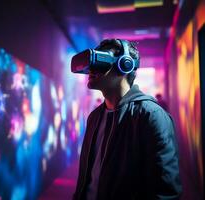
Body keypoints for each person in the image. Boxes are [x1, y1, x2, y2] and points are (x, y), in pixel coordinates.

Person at [72, 39, 182, 200]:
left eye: (100, 61)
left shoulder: (151, 116)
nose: (91, 69)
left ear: (125, 65)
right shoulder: (95, 117)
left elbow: (166, 191)